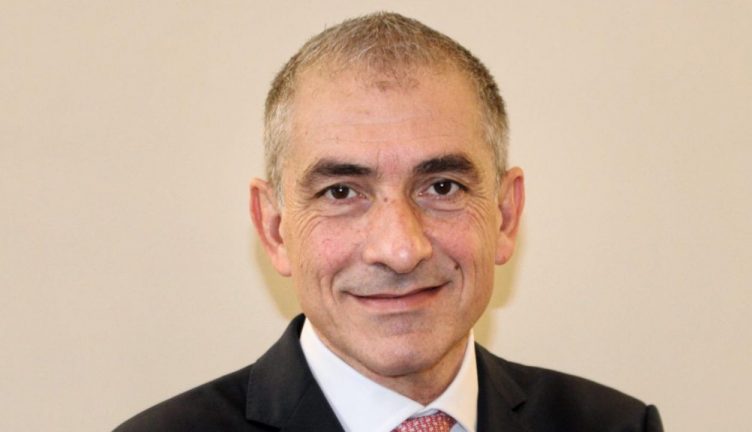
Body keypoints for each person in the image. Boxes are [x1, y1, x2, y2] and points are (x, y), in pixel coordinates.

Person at [114, 12, 663, 432]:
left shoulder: (618, 426)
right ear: (275, 229)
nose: (400, 250)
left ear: (504, 215)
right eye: (341, 192)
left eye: (442, 187)